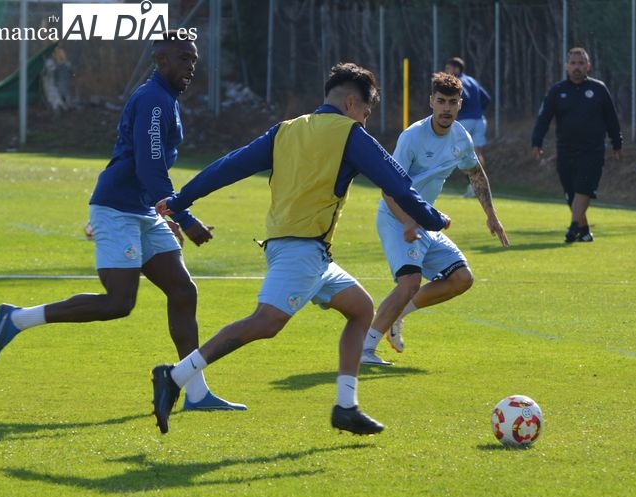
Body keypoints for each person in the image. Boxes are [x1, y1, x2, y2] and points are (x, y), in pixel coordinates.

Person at [150, 62, 452, 435]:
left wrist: (183, 198)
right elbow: (398, 182)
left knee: (360, 310)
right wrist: (433, 218)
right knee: (266, 322)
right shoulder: (351, 134)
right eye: (366, 112)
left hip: (302, 250)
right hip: (302, 251)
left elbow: (229, 166)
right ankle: (176, 375)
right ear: (351, 103)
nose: (365, 120)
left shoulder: (286, 130)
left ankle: (346, 406)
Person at [0, 30, 246, 412]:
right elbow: (150, 168)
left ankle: (195, 392)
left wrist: (163, 212)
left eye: (193, 58)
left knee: (183, 291)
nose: (192, 66)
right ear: (161, 61)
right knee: (119, 303)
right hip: (118, 209)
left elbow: (151, 173)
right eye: (184, 59)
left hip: (142, 209)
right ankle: (17, 319)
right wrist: (183, 216)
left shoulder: (166, 98)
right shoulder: (154, 101)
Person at [360, 72, 509, 366]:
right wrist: (407, 221)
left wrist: (491, 216)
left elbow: (475, 174)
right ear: (431, 102)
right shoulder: (412, 137)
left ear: (460, 105)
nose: (446, 108)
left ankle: (398, 315)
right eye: (440, 101)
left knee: (461, 278)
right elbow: (388, 187)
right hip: (395, 217)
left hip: (424, 219)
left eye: (452, 103)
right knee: (409, 282)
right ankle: (365, 350)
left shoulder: (460, 138)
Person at [531, 47, 623, 243]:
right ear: (566, 66)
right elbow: (544, 118)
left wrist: (617, 142)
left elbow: (611, 119)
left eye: (581, 63)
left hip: (593, 150)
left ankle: (573, 228)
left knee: (584, 188)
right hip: (565, 150)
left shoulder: (599, 89)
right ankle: (584, 230)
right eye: (573, 63)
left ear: (588, 66)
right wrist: (536, 141)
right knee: (571, 193)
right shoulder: (557, 91)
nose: (577, 67)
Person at [444, 56, 491, 197]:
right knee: (477, 154)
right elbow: (486, 98)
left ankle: (472, 185)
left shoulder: (458, 82)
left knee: (459, 153)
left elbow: (466, 97)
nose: (446, 71)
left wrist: (458, 109)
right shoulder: (472, 80)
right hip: (480, 120)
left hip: (466, 121)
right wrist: (477, 110)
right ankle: (479, 186)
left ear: (457, 69)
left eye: (448, 68)